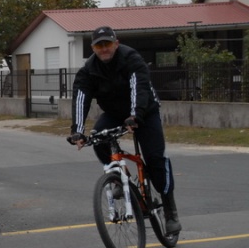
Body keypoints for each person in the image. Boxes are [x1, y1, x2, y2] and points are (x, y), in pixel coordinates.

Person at [70, 26, 181, 233]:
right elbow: (81, 97)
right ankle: (121, 178)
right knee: (98, 140)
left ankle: (169, 210)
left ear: (116, 43)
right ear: (93, 48)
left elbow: (139, 87)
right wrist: (77, 130)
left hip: (145, 111)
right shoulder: (88, 70)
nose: (104, 49)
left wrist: (135, 115)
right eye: (99, 46)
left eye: (107, 44)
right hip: (114, 113)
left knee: (155, 159)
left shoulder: (131, 58)